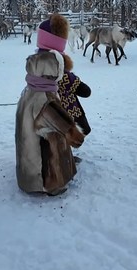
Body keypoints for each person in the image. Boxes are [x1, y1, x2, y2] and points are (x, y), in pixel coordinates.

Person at [15, 14, 85, 195]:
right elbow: (61, 124)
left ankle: (62, 162)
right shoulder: (43, 95)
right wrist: (75, 135)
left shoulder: (33, 86)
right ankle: (51, 184)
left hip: (26, 168)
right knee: (54, 135)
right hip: (38, 176)